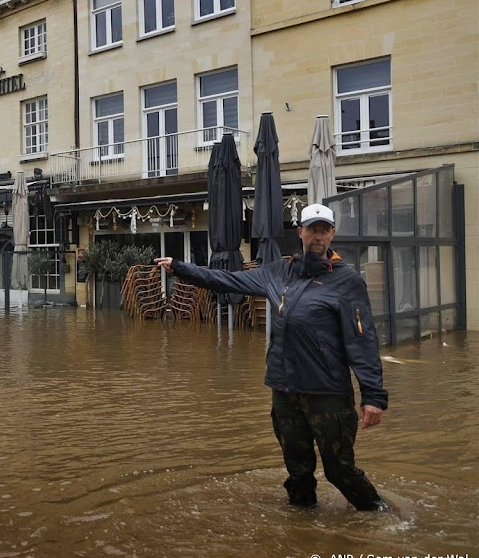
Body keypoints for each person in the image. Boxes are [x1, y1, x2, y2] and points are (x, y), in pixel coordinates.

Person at [155, 203, 388, 510]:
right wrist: (182, 268)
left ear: (332, 234)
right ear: (301, 232)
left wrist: (373, 395)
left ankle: (380, 516)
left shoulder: (346, 282)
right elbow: (227, 280)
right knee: (297, 469)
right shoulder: (279, 272)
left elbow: (363, 340)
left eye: (324, 230)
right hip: (285, 390)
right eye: (312, 230)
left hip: (327, 393)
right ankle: (302, 525)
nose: (318, 236)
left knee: (339, 470)